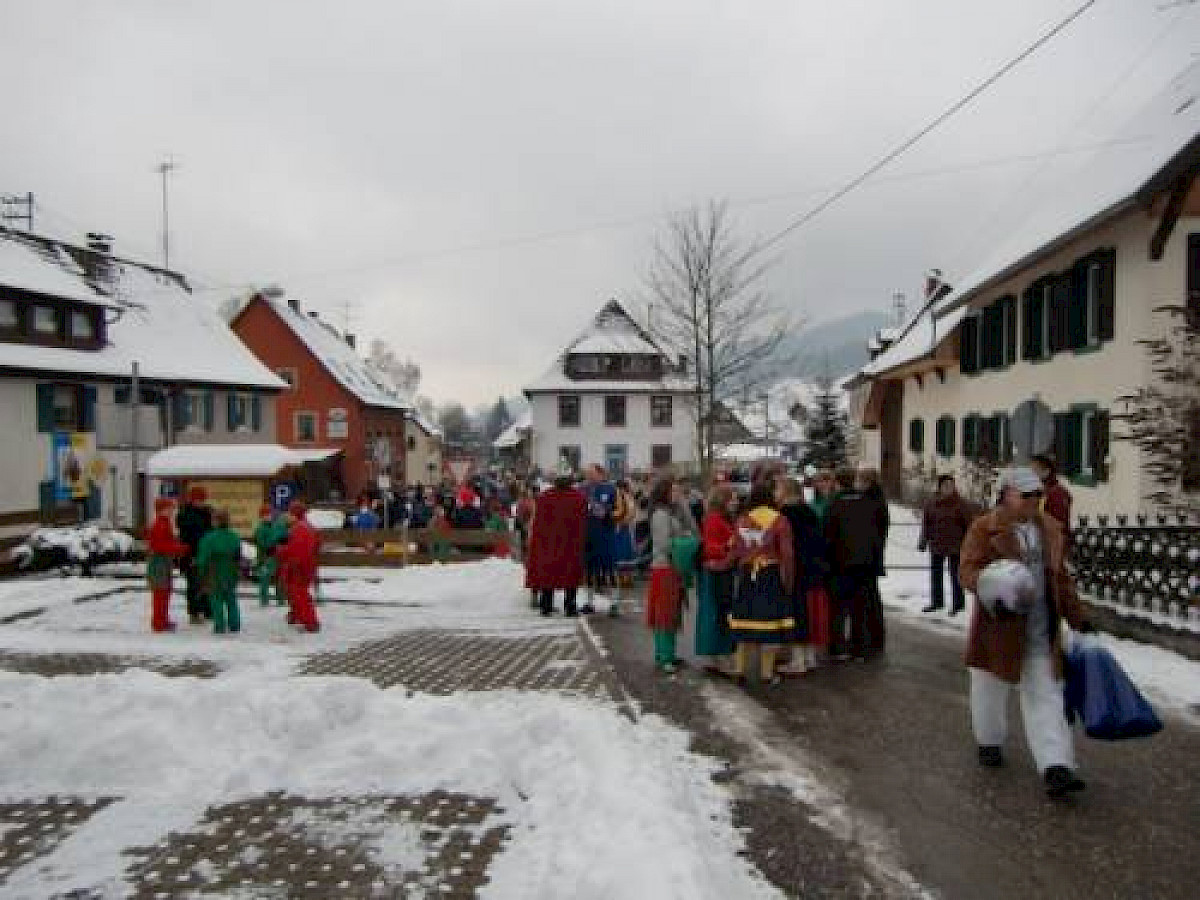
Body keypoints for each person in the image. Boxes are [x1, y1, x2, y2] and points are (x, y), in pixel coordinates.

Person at [960, 466, 1093, 799]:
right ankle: (989, 741)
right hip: (998, 628)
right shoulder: (984, 528)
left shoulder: (1050, 529)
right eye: (1027, 495)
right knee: (989, 691)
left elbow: (1061, 579)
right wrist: (991, 584)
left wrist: (1078, 616)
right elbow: (967, 570)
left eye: (1038, 495)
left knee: (1046, 697)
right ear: (1007, 494)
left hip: (1040, 630)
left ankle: (1056, 767)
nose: (1034, 501)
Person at [729, 481, 796, 684]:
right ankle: (767, 674)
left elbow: (735, 549)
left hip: (747, 575)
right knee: (770, 624)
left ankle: (739, 670)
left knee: (743, 622)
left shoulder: (742, 520)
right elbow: (787, 554)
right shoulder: (780, 520)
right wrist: (788, 580)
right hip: (770, 575)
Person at [824, 469, 882, 660]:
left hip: (840, 564)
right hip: (864, 563)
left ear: (838, 483)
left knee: (838, 609)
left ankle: (838, 647)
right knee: (860, 608)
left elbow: (828, 535)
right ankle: (861, 648)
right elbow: (876, 533)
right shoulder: (869, 503)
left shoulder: (834, 504)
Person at [525, 461, 587, 617]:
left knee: (549, 573)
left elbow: (538, 523)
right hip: (571, 544)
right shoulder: (579, 497)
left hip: (549, 543)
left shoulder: (545, 497)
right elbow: (583, 521)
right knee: (570, 575)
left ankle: (546, 606)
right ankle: (570, 607)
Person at [776, 477, 824, 674]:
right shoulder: (809, 511)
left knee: (797, 613)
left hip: (795, 569)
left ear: (786, 492)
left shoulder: (785, 514)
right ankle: (809, 657)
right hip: (813, 568)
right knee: (809, 614)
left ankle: (798, 661)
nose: (775, 493)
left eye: (778, 489)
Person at [645, 478, 692, 673]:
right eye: (673, 491)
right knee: (664, 614)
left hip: (670, 567)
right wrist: (685, 538)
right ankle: (665, 657)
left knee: (669, 613)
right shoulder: (661, 514)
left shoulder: (668, 512)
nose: (677, 494)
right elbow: (664, 544)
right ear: (664, 492)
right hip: (665, 568)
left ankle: (667, 654)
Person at [696, 484, 739, 673]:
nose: (736, 502)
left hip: (720, 570)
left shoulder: (722, 518)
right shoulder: (714, 519)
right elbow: (710, 548)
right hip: (716, 572)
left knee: (719, 613)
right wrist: (729, 546)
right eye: (732, 499)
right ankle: (720, 657)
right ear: (723, 500)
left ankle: (717, 657)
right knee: (719, 614)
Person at [918, 475, 975, 615]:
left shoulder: (961, 504)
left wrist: (969, 544)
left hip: (956, 545)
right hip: (937, 543)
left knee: (955, 575)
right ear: (940, 487)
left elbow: (969, 525)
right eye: (945, 485)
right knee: (936, 575)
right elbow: (926, 523)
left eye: (951, 485)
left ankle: (958, 604)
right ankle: (937, 602)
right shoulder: (932, 503)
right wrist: (923, 540)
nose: (948, 488)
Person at [195, 508, 243, 635]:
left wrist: (201, 573)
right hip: (230, 570)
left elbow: (203, 558)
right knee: (231, 599)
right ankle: (234, 624)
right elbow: (238, 555)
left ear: (215, 521)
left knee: (216, 599)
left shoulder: (209, 538)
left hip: (214, 571)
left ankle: (219, 625)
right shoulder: (234, 536)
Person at [276, 501, 322, 633]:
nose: (288, 515)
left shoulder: (299, 529)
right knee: (296, 592)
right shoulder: (307, 527)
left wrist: (280, 550)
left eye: (290, 513)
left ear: (295, 514)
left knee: (299, 594)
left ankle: (310, 621)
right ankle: (297, 615)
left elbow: (294, 550)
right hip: (306, 565)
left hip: (299, 567)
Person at [858, 467, 890, 653]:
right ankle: (875, 636)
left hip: (868, 554)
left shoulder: (870, 501)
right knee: (872, 596)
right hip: (874, 553)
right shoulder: (878, 499)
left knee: (869, 598)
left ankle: (873, 637)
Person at [146, 497, 187, 632]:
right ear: (162, 510)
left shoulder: (165, 523)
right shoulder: (159, 525)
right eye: (169, 508)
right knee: (160, 592)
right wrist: (179, 548)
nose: (172, 511)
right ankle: (158, 622)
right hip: (159, 562)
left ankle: (163, 619)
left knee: (165, 591)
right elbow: (159, 545)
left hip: (164, 561)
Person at [582, 464, 618, 613]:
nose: (589, 476)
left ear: (601, 474)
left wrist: (597, 508)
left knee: (609, 570)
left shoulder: (610, 489)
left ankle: (614, 603)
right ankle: (589, 603)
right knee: (589, 570)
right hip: (589, 536)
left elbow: (611, 510)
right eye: (588, 473)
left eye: (592, 473)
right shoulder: (583, 489)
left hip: (605, 535)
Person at [176, 486, 213, 625]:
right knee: (193, 584)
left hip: (205, 553)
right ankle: (194, 612)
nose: (202, 502)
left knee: (206, 583)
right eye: (199, 500)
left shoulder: (206, 512)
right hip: (191, 554)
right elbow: (186, 537)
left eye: (203, 500)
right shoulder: (185, 514)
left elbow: (210, 531)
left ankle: (208, 610)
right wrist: (191, 555)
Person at [252, 505, 288, 607]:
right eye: (265, 515)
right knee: (264, 579)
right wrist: (272, 544)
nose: (267, 516)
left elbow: (285, 536)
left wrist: (282, 540)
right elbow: (261, 543)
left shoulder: (277, 526)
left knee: (280, 579)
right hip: (265, 557)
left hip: (278, 556)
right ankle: (264, 600)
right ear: (261, 516)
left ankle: (281, 599)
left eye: (268, 514)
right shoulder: (260, 529)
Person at [1031, 454, 1073, 541]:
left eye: (1034, 470)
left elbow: (1059, 525)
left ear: (1047, 471)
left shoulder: (1058, 494)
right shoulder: (1037, 490)